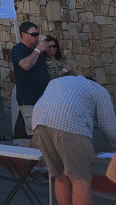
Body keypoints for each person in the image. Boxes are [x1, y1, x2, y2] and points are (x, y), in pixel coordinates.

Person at [33, 74, 116, 205]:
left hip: (39, 122)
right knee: (80, 180)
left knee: (61, 177)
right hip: (69, 124)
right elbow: (110, 128)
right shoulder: (99, 90)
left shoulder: (59, 81)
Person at [12, 21, 50, 145]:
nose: (37, 37)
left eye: (38, 34)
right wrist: (38, 51)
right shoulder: (18, 49)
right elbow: (25, 65)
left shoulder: (37, 52)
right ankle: (33, 162)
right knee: (33, 136)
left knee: (44, 136)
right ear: (24, 35)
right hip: (28, 101)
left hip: (43, 100)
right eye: (34, 34)